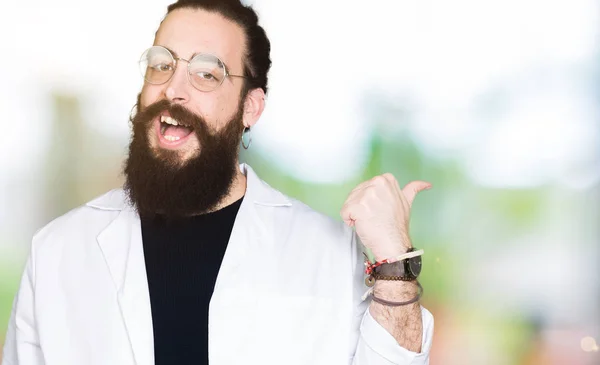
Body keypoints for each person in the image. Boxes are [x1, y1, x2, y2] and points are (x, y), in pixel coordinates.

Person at [2, 1, 434, 364]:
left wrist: (395, 259)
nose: (174, 89)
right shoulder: (57, 251)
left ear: (251, 108)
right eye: (161, 64)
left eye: (207, 74)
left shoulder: (328, 251)